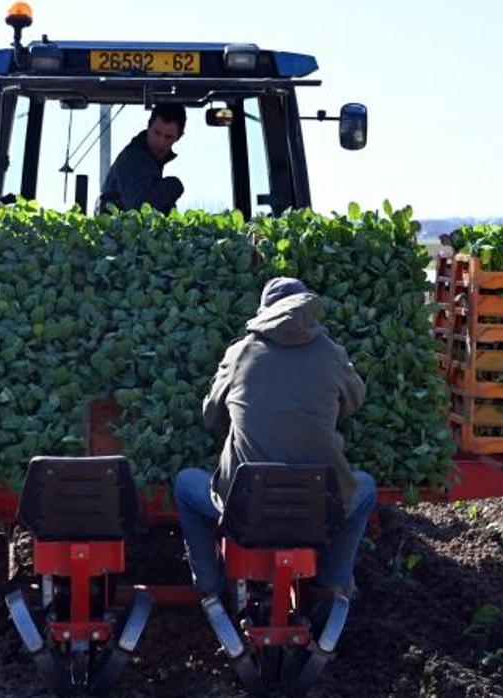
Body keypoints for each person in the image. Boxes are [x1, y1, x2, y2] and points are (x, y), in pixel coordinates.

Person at [174, 277, 377, 605]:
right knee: (364, 488)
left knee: (185, 485)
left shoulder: (240, 352)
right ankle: (332, 581)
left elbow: (211, 415)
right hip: (318, 506)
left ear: (263, 312)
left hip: (245, 507)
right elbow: (354, 401)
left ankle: (210, 585)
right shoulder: (332, 353)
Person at [97, 103, 186, 213]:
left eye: (168, 137)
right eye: (157, 133)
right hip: (118, 229)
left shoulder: (149, 159)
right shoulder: (134, 159)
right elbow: (139, 207)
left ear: (179, 137)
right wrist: (174, 185)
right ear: (148, 126)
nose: (160, 142)